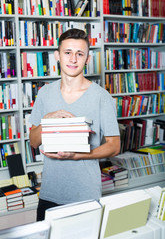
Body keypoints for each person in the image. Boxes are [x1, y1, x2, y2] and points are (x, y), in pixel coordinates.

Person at [29, 28, 120, 221]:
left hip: (85, 194)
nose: (73, 59)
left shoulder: (101, 96)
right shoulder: (45, 94)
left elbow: (114, 146)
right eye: (67, 52)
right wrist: (48, 120)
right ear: (57, 56)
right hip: (50, 193)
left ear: (87, 59)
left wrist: (79, 155)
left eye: (80, 54)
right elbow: (34, 141)